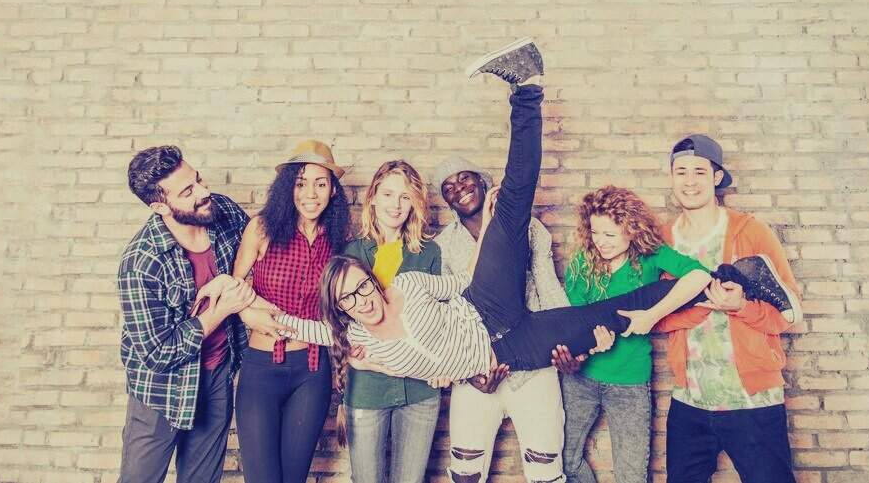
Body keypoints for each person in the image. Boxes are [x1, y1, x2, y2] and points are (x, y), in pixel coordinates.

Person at [272, 40, 749, 388]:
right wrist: (246, 303)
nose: (361, 300)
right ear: (340, 309)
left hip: (486, 307)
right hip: (511, 350)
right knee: (613, 317)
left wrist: (492, 232)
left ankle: (526, 86)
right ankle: (726, 280)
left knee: (512, 205)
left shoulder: (409, 286)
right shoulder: (358, 339)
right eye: (348, 299)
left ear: (373, 282)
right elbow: (297, 325)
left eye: (361, 287)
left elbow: (464, 284)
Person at [435, 155, 609, 483]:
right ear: (445, 200)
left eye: (464, 178)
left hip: (533, 367)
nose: (459, 189)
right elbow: (445, 315)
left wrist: (570, 344)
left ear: (482, 181)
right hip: (476, 371)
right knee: (465, 473)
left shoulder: (527, 226)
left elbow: (547, 286)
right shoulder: (442, 247)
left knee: (546, 469)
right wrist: (466, 372)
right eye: (448, 187)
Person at [655, 134, 802, 483]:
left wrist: (740, 307)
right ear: (672, 177)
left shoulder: (750, 232)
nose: (689, 182)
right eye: (681, 172)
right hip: (690, 401)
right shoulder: (662, 241)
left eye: (699, 172)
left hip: (754, 401)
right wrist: (697, 309)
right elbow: (651, 317)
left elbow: (791, 313)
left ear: (717, 177)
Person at [117, 145, 254, 483]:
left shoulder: (223, 211)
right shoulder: (141, 262)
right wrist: (221, 310)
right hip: (161, 391)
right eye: (187, 191)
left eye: (198, 180)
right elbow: (157, 353)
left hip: (217, 375)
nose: (203, 192)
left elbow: (262, 259)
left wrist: (230, 281)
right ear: (160, 206)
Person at [559, 186, 712, 483]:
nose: (600, 241)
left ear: (631, 230)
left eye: (610, 234)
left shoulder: (651, 256)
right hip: (580, 380)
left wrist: (652, 315)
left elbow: (700, 276)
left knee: (631, 476)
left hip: (630, 383)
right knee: (565, 461)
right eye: (595, 232)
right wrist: (588, 347)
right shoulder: (581, 262)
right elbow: (575, 321)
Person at [229, 141, 350, 483]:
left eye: (320, 184)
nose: (310, 194)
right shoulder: (262, 228)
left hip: (312, 372)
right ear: (288, 188)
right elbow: (234, 289)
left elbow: (342, 305)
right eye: (301, 183)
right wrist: (247, 313)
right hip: (261, 369)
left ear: (333, 190)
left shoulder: (338, 237)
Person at [339, 160, 444, 483]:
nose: (395, 205)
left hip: (419, 390)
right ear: (372, 197)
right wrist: (350, 354)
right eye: (387, 194)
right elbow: (336, 320)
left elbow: (440, 320)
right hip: (367, 389)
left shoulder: (429, 253)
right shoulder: (351, 252)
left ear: (414, 203)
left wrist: (443, 364)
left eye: (405, 196)